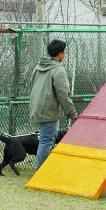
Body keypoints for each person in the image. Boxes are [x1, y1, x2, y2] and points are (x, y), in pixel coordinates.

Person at [29, 39, 78, 171]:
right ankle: (41, 170)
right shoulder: (58, 70)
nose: (65, 54)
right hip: (48, 110)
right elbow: (63, 93)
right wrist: (71, 112)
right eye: (64, 52)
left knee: (46, 139)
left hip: (37, 106)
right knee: (46, 141)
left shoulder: (39, 66)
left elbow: (32, 85)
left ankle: (43, 168)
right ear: (60, 54)